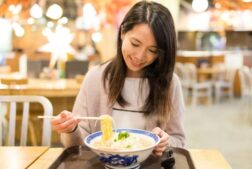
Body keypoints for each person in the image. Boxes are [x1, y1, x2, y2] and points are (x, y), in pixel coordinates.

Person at [51, 1, 185, 156]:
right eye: (135, 44)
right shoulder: (96, 78)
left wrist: (166, 142)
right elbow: (76, 145)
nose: (140, 56)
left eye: (152, 50)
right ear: (122, 33)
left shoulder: (170, 83)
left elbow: (179, 140)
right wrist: (71, 129)